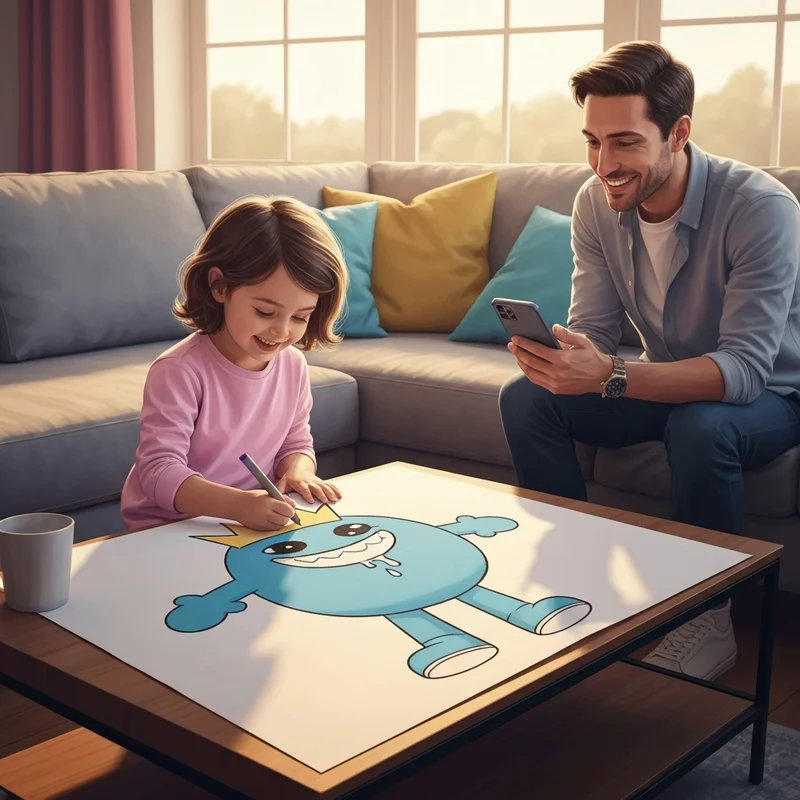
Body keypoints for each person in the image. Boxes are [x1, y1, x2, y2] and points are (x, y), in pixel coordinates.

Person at [499, 41, 800, 682]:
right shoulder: (595, 204)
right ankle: (576, 583)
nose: (604, 164)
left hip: (770, 396)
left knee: (703, 424)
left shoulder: (761, 209)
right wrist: (565, 359)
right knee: (526, 399)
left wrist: (609, 375)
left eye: (625, 143)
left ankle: (707, 619)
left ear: (678, 133)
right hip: (665, 382)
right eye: (593, 141)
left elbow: (744, 371)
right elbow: (596, 328)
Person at [121, 195, 348, 533]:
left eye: (300, 316)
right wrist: (238, 505)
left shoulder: (292, 366)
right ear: (219, 286)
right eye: (265, 312)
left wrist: (298, 471)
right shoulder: (179, 371)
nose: (282, 331)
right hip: (169, 528)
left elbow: (295, 444)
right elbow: (158, 471)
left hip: (246, 523)